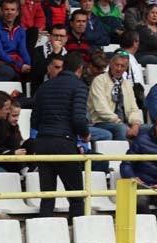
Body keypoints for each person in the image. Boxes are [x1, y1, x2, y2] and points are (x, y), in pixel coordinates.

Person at [32, 51, 92, 215]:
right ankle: (80, 236)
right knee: (76, 197)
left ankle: (43, 235)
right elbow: (79, 118)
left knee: (47, 196)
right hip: (64, 144)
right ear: (80, 69)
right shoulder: (79, 86)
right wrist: (85, 135)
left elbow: (34, 121)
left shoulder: (44, 87)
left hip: (43, 143)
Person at [88, 49, 142, 140]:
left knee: (149, 129)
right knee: (121, 129)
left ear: (126, 68)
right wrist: (120, 123)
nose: (119, 69)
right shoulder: (99, 80)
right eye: (117, 65)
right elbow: (101, 109)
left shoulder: (127, 84)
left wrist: (136, 125)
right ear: (110, 64)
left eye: (122, 66)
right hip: (102, 122)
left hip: (125, 122)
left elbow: (134, 108)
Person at [0, 0, 31, 83]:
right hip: (1, 61)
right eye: (6, 9)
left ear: (17, 12)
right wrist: (19, 65)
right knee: (12, 73)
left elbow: (23, 50)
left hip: (16, 61)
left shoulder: (20, 30)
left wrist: (28, 65)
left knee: (33, 72)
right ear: (2, 11)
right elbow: (0, 53)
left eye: (12, 10)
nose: (9, 12)